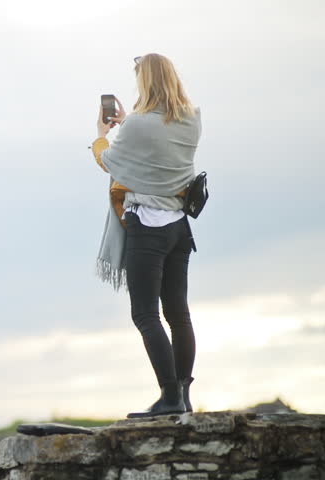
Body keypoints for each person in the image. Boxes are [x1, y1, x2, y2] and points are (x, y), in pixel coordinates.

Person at [89, 53, 202, 418]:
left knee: (145, 314)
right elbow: (155, 147)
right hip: (179, 228)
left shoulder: (136, 126)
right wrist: (130, 124)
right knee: (178, 314)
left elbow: (111, 161)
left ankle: (168, 397)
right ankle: (183, 396)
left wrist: (102, 136)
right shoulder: (190, 120)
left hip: (147, 229)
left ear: (145, 82)